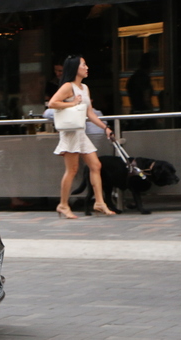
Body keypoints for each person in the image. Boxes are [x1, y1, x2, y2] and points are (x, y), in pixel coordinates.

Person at [48, 55, 115, 219]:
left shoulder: (84, 88)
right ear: (75, 68)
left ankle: (99, 202)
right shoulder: (67, 86)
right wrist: (73, 103)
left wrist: (105, 127)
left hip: (80, 131)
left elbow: (89, 112)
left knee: (96, 165)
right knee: (72, 170)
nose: (86, 67)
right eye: (83, 65)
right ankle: (63, 204)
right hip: (70, 132)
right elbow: (52, 103)